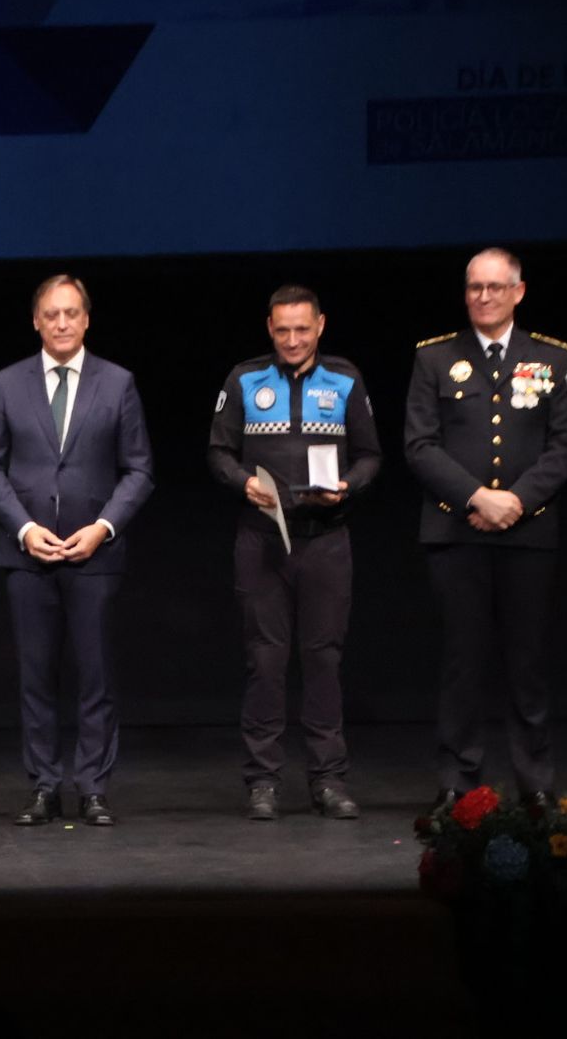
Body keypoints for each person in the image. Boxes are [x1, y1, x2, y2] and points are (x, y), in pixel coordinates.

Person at [404, 248, 567, 815]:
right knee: (463, 660)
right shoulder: (435, 358)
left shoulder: (550, 358)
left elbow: (566, 445)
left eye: (495, 288)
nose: (484, 297)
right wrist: (477, 498)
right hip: (457, 533)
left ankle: (534, 781)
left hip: (527, 534)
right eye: (475, 287)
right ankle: (459, 782)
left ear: (518, 292)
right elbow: (419, 445)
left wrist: (516, 502)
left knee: (526, 662)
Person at [0, 275, 153, 827]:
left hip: (93, 554)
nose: (61, 323)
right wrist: (25, 529)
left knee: (95, 675)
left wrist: (103, 527)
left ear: (87, 319)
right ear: (36, 321)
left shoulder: (118, 382)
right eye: (51, 314)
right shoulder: (7, 383)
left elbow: (140, 469)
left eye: (71, 313)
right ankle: (44, 786)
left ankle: (93, 786)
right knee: (35, 676)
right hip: (27, 554)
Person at [207, 285, 381, 821]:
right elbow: (218, 452)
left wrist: (348, 486)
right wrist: (243, 484)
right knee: (265, 661)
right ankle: (262, 781)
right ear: (269, 327)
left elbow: (371, 455)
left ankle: (328, 779)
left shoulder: (346, 378)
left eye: (302, 329)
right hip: (261, 540)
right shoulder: (244, 378)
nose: (292, 339)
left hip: (326, 540)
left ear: (321, 325)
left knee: (323, 661)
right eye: (282, 330)